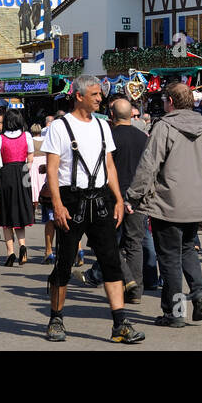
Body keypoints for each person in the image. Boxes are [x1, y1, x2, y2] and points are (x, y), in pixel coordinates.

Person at [42, 75, 144, 344]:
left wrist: (119, 199)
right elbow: (52, 169)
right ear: (79, 96)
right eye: (95, 94)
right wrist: (57, 204)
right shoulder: (60, 127)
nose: (100, 98)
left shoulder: (102, 127)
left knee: (111, 262)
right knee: (65, 262)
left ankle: (120, 323)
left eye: (101, 95)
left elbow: (109, 165)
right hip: (71, 199)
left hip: (100, 200)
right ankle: (56, 318)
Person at [127, 83, 202, 327]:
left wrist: (133, 195)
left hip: (168, 202)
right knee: (187, 249)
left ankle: (175, 312)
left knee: (169, 259)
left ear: (171, 103)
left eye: (165, 100)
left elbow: (149, 165)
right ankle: (198, 291)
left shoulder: (164, 126)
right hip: (194, 202)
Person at [83, 98, 150, 302]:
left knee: (108, 242)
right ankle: (135, 290)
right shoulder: (143, 138)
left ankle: (128, 280)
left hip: (112, 197)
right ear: (131, 115)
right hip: (138, 197)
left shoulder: (108, 137)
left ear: (111, 115)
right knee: (134, 244)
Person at [0, 108, 34, 266]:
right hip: (23, 173)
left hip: (6, 173)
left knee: (6, 213)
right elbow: (30, 157)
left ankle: (10, 252)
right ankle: (22, 245)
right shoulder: (27, 136)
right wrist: (25, 170)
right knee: (21, 210)